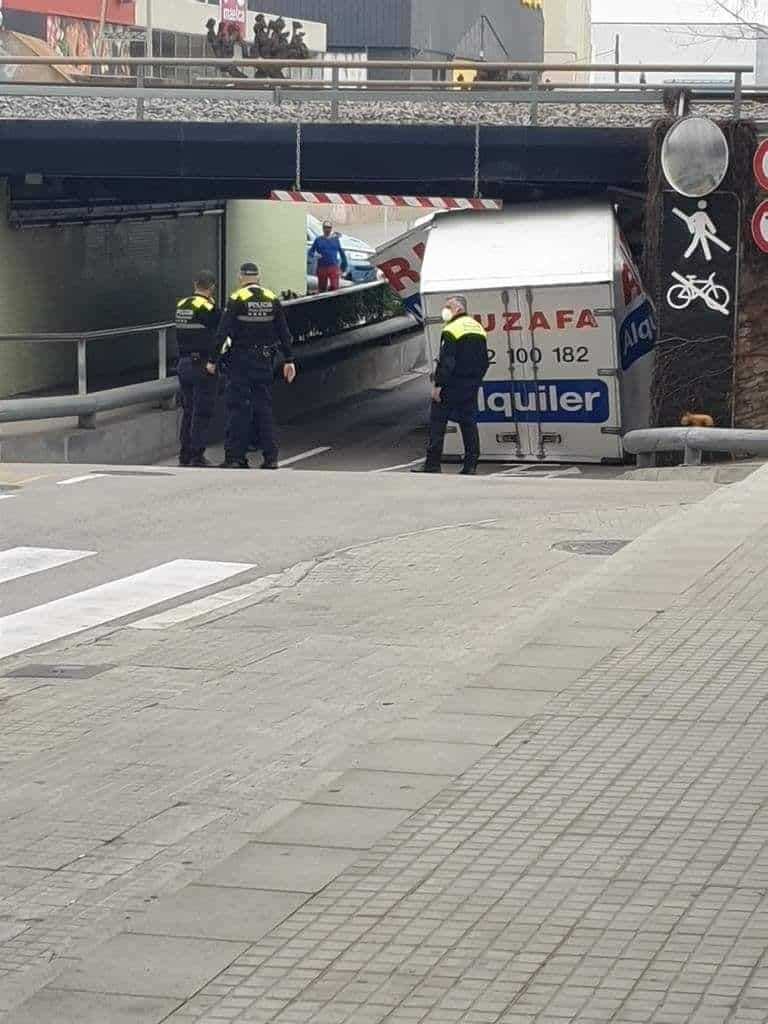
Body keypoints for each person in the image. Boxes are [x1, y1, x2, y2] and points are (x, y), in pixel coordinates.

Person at [215, 262, 297, 469]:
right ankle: (271, 458)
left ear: (241, 278)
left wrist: (212, 360)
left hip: (241, 362)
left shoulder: (236, 299)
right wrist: (289, 360)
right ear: (258, 278)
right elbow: (284, 333)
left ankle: (235, 457)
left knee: (239, 408)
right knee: (264, 408)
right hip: (264, 361)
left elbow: (222, 332)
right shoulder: (271, 298)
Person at [412, 296, 489, 476]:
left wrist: (438, 385)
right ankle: (471, 464)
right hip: (470, 385)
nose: (445, 309)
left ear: (459, 308)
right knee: (469, 424)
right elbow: (484, 361)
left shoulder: (451, 329)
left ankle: (432, 463)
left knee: (437, 422)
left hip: (451, 385)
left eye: (449, 306)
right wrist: (475, 380)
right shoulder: (477, 327)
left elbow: (447, 361)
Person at [174, 270, 220, 468]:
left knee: (188, 410)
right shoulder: (209, 308)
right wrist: (215, 360)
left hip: (183, 363)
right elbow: (220, 335)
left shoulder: (181, 305)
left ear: (195, 284)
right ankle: (197, 455)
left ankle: (184, 453)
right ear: (211, 287)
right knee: (201, 412)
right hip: (202, 364)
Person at [309, 221, 348, 292]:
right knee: (322, 289)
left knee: (334, 287)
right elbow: (310, 252)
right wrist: (315, 255)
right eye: (325, 227)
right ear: (323, 229)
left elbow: (342, 253)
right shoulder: (318, 240)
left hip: (333, 267)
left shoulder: (335, 240)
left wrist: (343, 268)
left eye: (329, 227)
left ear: (331, 228)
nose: (327, 229)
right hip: (322, 268)